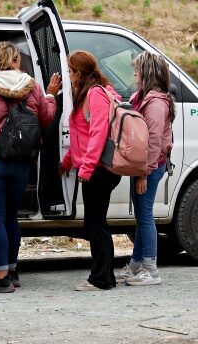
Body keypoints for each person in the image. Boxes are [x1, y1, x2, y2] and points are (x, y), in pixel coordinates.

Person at [0, 42, 61, 293]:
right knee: (12, 217)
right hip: (22, 162)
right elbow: (47, 118)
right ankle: (12, 270)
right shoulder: (32, 86)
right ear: (16, 60)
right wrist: (50, 95)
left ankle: (2, 276)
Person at [58, 50, 121, 291]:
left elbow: (98, 133)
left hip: (99, 169)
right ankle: (106, 276)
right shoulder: (89, 93)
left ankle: (101, 279)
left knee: (96, 224)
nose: (69, 76)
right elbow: (80, 136)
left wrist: (86, 167)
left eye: (71, 71)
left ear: (79, 72)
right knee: (96, 223)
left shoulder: (94, 94)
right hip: (96, 167)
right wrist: (66, 162)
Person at [120, 52, 175, 286]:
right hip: (145, 166)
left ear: (147, 73)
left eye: (138, 69)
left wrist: (144, 172)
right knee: (142, 215)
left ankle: (151, 269)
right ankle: (135, 265)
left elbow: (153, 143)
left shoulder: (155, 104)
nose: (135, 73)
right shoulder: (143, 98)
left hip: (150, 167)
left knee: (145, 216)